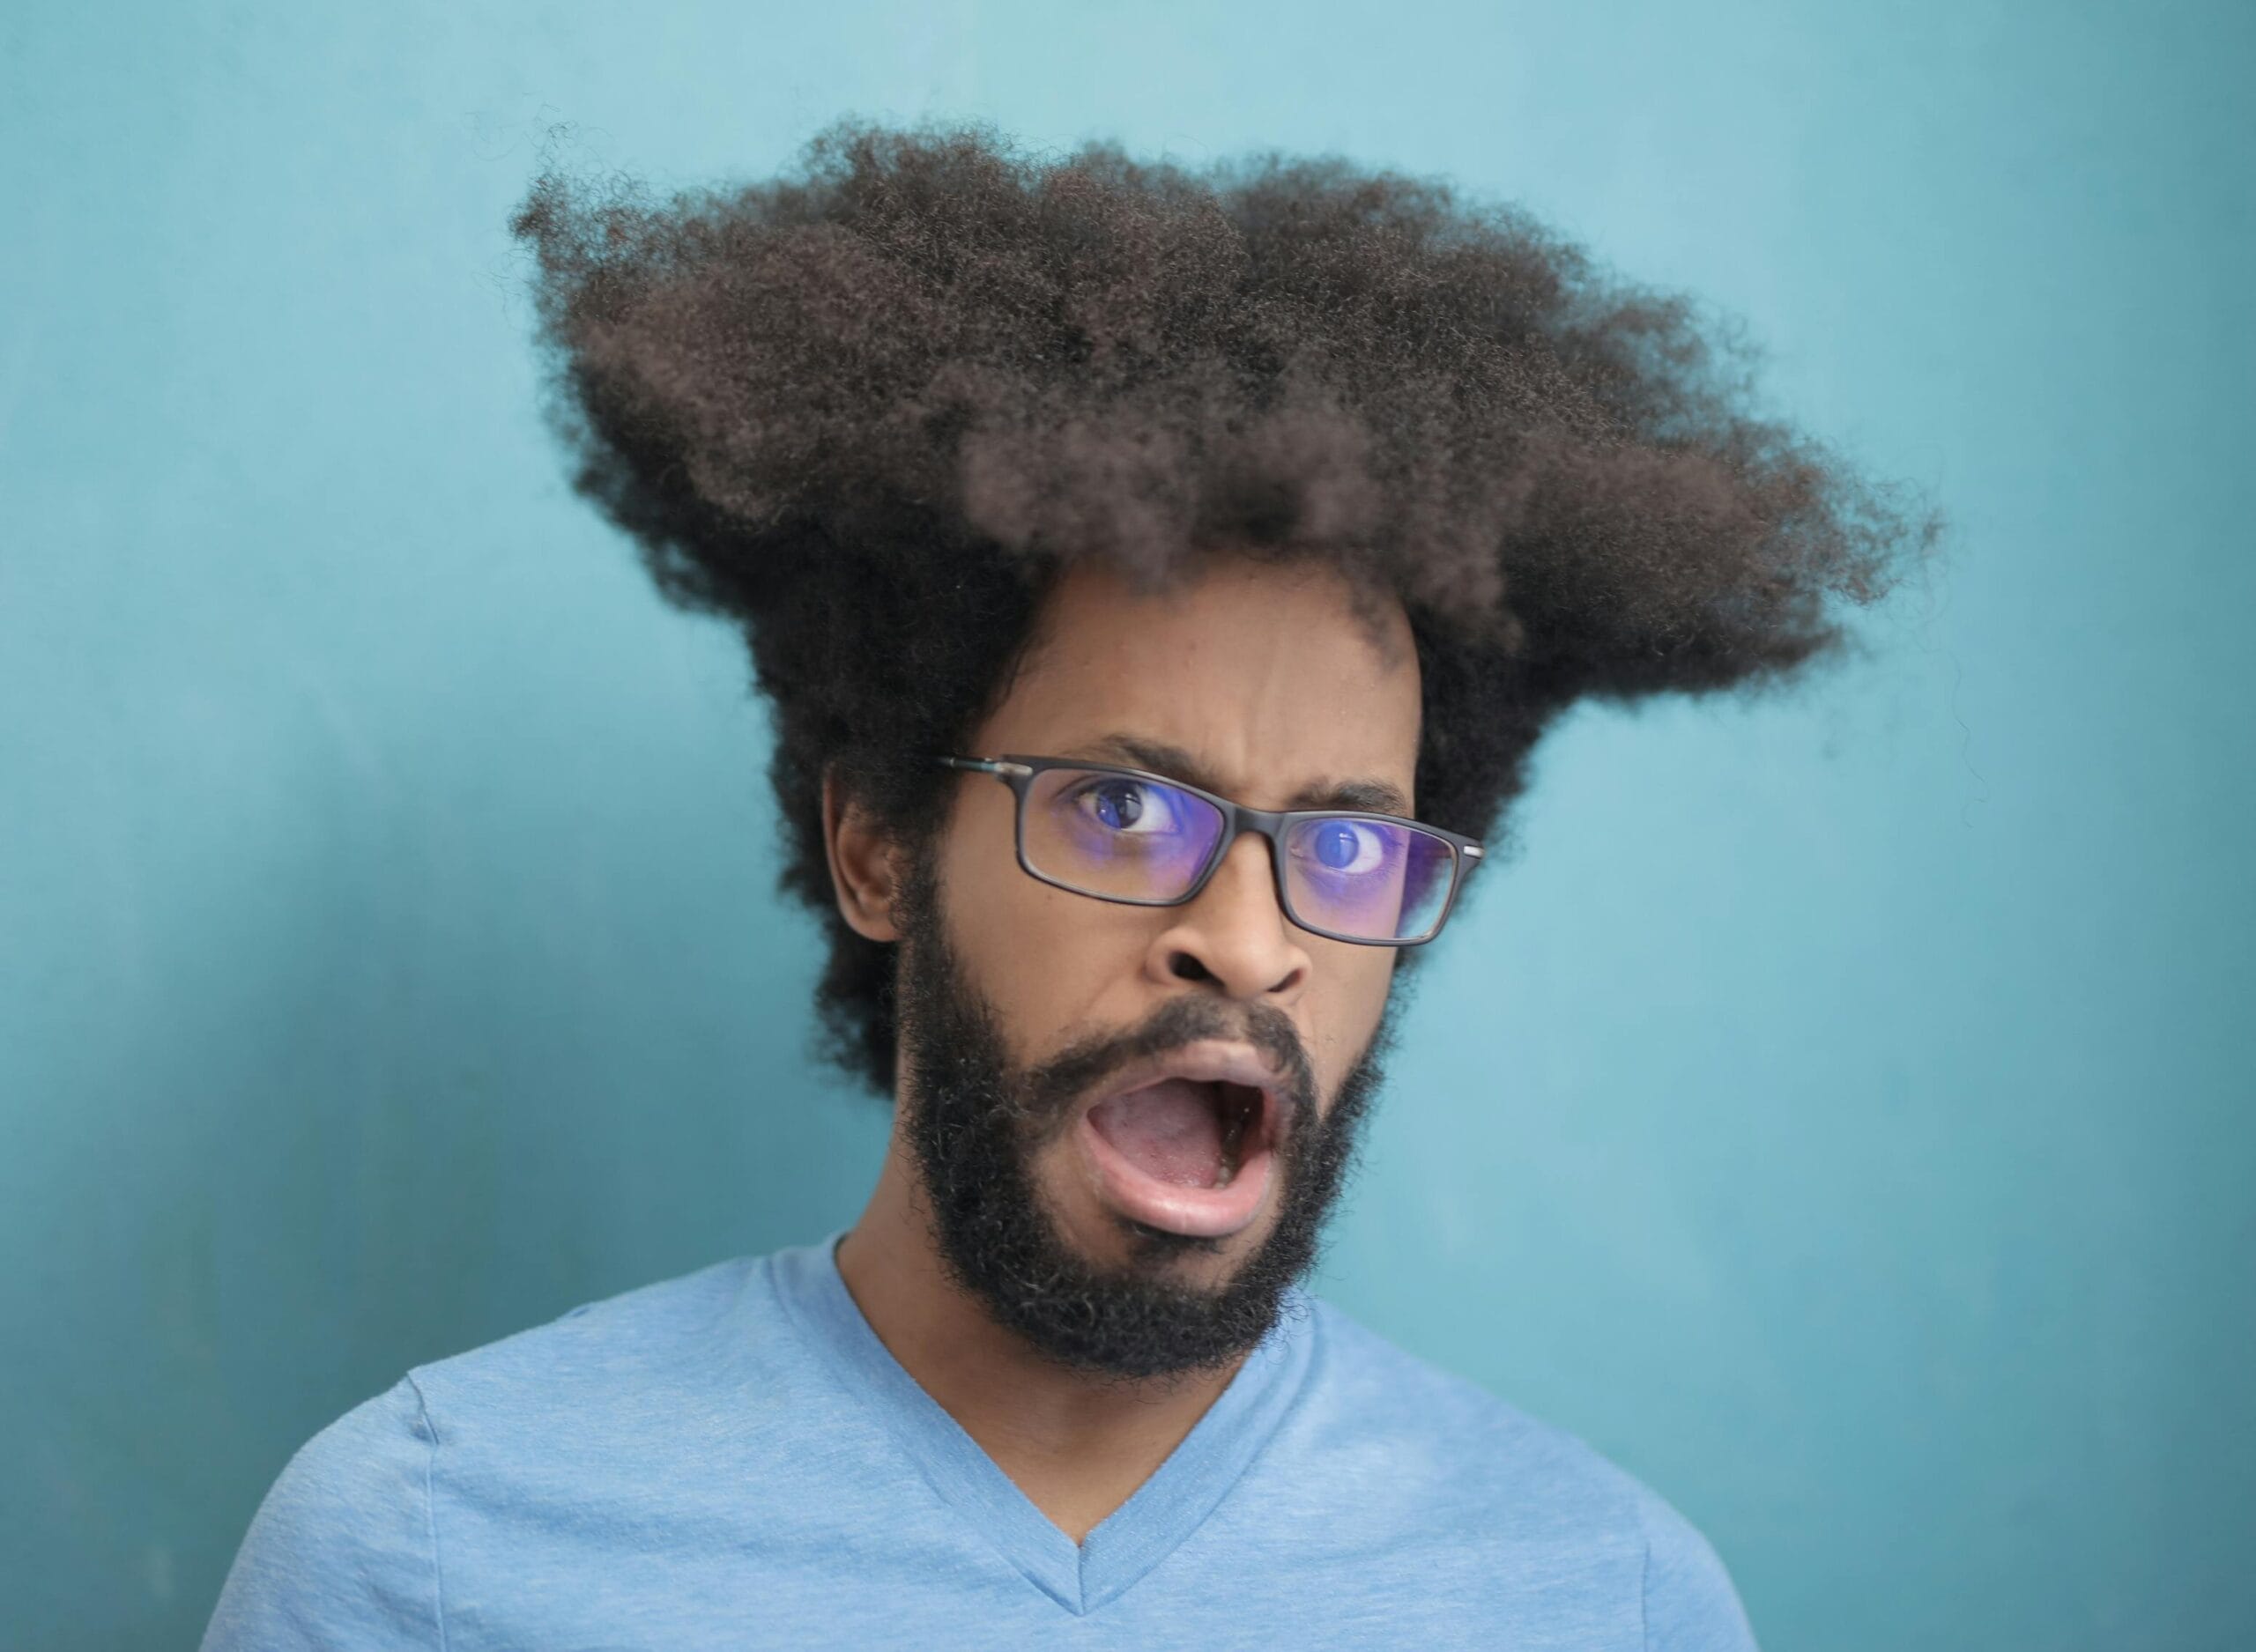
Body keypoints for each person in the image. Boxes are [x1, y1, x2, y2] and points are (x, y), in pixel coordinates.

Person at [204, 118, 1935, 1648]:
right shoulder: (428, 1555)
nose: (1247, 940)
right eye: (1121, 807)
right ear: (880, 841)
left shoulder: (1597, 1597)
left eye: (1341, 845)